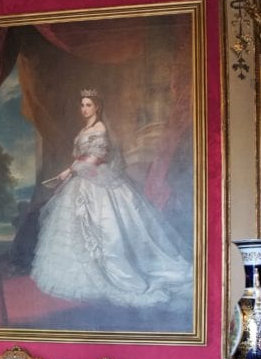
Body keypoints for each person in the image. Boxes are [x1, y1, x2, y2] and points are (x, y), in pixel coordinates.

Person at [29, 88, 191, 308]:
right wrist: (70, 170)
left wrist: (69, 171)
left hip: (97, 180)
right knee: (73, 227)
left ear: (97, 106)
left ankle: (120, 273)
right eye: (82, 105)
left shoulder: (100, 128)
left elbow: (95, 158)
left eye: (88, 105)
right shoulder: (86, 127)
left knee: (107, 228)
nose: (84, 109)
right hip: (82, 178)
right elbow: (82, 156)